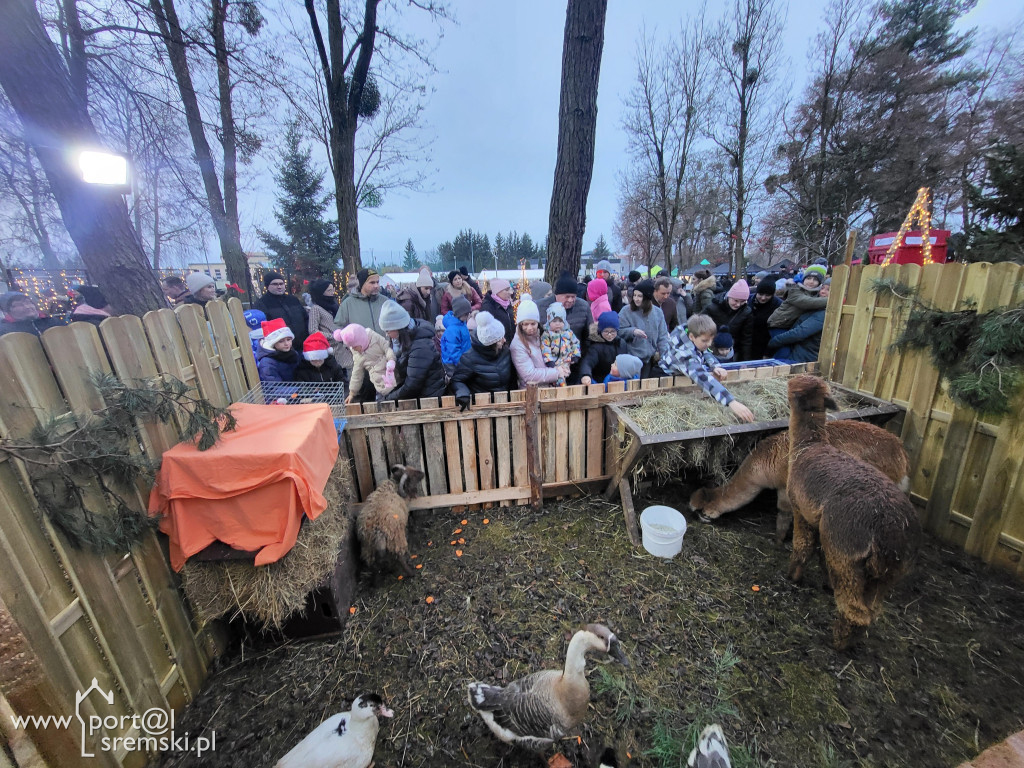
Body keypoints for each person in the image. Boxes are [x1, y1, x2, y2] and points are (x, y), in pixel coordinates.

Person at [659, 314, 755, 423]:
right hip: (666, 379)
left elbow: (703, 350)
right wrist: (731, 402)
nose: (709, 344)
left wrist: (714, 365)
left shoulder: (689, 330)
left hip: (685, 374)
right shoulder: (684, 356)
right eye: (705, 341)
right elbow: (703, 378)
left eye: (711, 340)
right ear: (691, 337)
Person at [378, 301, 447, 402]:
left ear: (398, 328)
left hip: (428, 399)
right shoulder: (403, 340)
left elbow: (412, 384)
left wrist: (389, 398)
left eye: (387, 331)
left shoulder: (420, 347)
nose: (387, 335)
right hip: (419, 397)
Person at [452, 311, 514, 410]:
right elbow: (457, 380)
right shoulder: (469, 358)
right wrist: (463, 393)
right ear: (491, 343)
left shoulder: (505, 351)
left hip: (505, 405)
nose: (504, 340)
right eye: (500, 339)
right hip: (483, 407)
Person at [767, 279, 831, 363]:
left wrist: (774, 341)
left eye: (828, 290)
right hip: (800, 352)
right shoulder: (817, 305)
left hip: (802, 357)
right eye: (822, 288)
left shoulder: (823, 313)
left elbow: (800, 332)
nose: (823, 292)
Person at [537, 273, 591, 369]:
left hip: (575, 360)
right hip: (548, 362)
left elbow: (588, 336)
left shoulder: (583, 306)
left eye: (573, 296)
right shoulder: (540, 307)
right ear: (557, 295)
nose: (570, 300)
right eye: (567, 296)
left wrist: (578, 356)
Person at [509, 299, 567, 388]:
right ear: (520, 324)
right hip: (532, 392)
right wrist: (557, 372)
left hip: (550, 388)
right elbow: (529, 375)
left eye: (533, 324)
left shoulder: (544, 336)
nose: (530, 328)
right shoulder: (517, 345)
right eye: (526, 324)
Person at [618, 279, 669, 378]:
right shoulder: (626, 311)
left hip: (648, 359)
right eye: (634, 295)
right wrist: (632, 331)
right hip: (630, 358)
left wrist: (665, 358)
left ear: (647, 297)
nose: (636, 299)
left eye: (639, 296)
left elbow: (662, 337)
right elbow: (617, 331)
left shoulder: (658, 313)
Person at [338, 323, 395, 403]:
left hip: (391, 372)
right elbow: (356, 374)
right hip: (379, 383)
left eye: (355, 346)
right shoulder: (358, 355)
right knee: (383, 402)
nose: (354, 349)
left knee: (397, 396)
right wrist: (352, 393)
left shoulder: (374, 338)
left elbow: (387, 348)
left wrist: (391, 360)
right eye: (352, 347)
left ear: (361, 340)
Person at [768, 264, 828, 332]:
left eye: (815, 280)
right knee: (782, 341)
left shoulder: (816, 294)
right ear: (803, 279)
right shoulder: (795, 289)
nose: (811, 282)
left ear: (819, 283)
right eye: (808, 278)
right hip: (778, 325)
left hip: (793, 327)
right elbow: (807, 302)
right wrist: (832, 300)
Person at [306, 279, 349, 372]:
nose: (332, 293)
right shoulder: (316, 309)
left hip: (342, 346)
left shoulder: (334, 305)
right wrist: (332, 336)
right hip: (330, 348)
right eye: (329, 291)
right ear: (321, 292)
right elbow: (313, 330)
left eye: (332, 289)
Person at [705, 279, 754, 361]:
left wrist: (745, 361)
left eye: (742, 301)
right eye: (736, 300)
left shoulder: (746, 313)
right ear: (729, 296)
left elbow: (746, 339)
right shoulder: (713, 308)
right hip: (711, 351)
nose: (738, 304)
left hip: (733, 353)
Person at [257, 271, 309, 347]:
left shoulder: (293, 300)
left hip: (302, 344)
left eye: (281, 284)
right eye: (275, 284)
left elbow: (305, 318)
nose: (279, 287)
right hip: (281, 348)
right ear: (267, 286)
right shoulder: (262, 303)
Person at [334, 268, 389, 336]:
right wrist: (346, 345)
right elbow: (338, 328)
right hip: (358, 346)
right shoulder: (348, 304)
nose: (376, 286)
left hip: (384, 346)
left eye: (377, 282)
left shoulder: (385, 302)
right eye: (372, 283)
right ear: (362, 284)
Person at [579, 312, 629, 385]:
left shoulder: (621, 343)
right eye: (606, 331)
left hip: (617, 379)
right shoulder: (595, 346)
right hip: (599, 382)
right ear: (600, 331)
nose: (609, 335)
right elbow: (588, 362)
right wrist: (586, 375)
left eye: (613, 331)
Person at [541, 303, 581, 387]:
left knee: (564, 377)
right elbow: (545, 348)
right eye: (554, 321)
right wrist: (549, 361)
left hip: (566, 362)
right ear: (549, 321)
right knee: (559, 379)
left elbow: (575, 343)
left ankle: (563, 391)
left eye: (560, 321)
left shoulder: (568, 333)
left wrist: (575, 355)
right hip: (553, 364)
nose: (557, 324)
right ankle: (562, 391)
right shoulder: (547, 335)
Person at [0, 292, 65, 337]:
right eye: (19, 305)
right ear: (8, 311)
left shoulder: (53, 322)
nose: (27, 306)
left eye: (28, 302)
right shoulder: (4, 331)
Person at [748, 277, 782, 359]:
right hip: (748, 343)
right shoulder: (749, 300)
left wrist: (768, 353)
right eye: (760, 294)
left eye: (767, 295)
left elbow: (776, 333)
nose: (763, 298)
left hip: (766, 345)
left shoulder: (778, 305)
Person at [256, 318, 299, 382]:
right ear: (273, 343)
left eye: (289, 339)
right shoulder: (267, 363)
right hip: (288, 391)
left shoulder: (293, 353)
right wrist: (298, 390)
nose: (286, 344)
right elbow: (274, 388)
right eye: (281, 341)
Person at [440, 295, 473, 376]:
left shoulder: (461, 323)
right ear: (459, 314)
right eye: (465, 314)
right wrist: (463, 364)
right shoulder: (453, 330)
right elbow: (453, 351)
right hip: (453, 363)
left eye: (468, 313)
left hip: (462, 359)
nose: (468, 316)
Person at [480, 278, 515, 344]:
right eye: (506, 290)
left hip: (510, 344)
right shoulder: (488, 307)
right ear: (498, 291)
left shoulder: (507, 303)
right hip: (498, 347)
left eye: (510, 289)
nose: (511, 292)